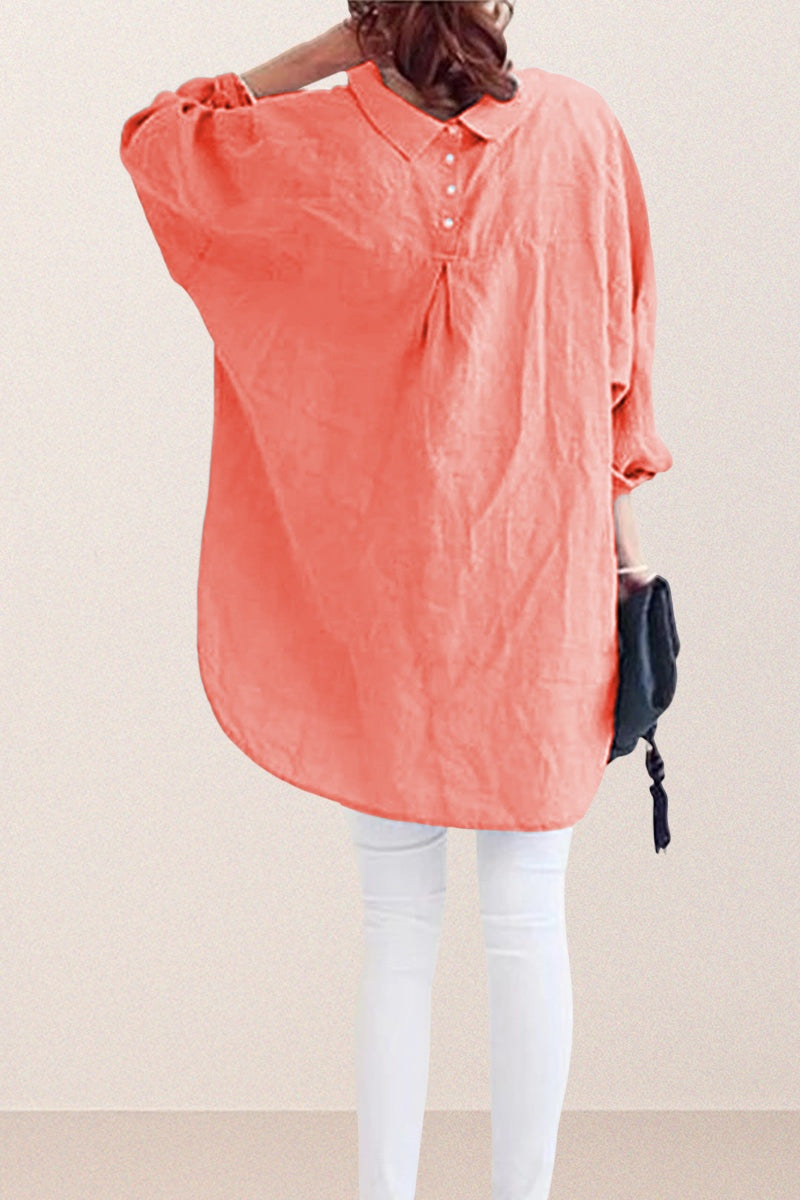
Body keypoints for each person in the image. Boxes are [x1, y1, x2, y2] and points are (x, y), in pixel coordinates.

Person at [120, 3, 673, 1198]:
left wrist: (324, 56)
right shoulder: (582, 131)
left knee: (397, 928)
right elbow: (616, 375)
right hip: (540, 588)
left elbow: (162, 137)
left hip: (376, 600)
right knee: (527, 921)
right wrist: (625, 560)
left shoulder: (309, 143)